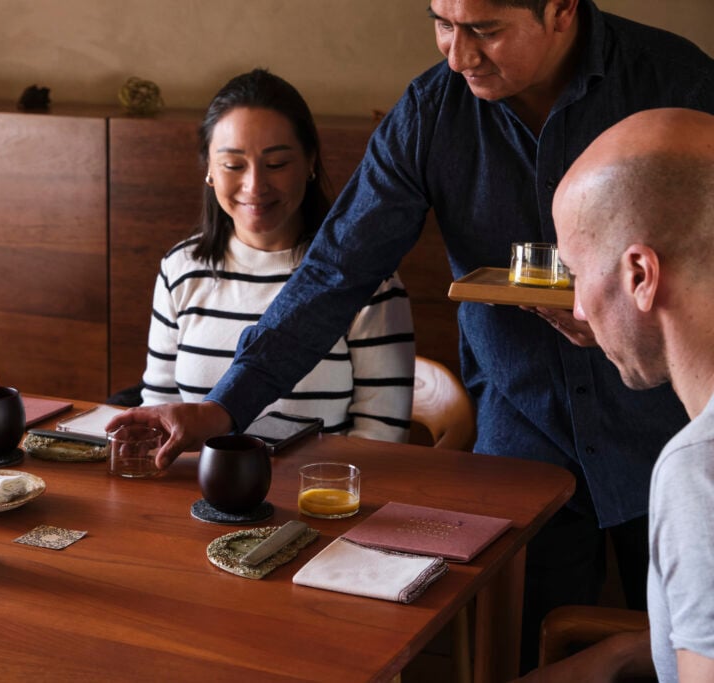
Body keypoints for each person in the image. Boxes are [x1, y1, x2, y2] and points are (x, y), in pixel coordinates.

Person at [110, 0, 713, 670]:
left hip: (671, 422)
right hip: (522, 428)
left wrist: (621, 313)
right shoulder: (433, 110)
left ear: (562, 10)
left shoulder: (675, 82)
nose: (457, 56)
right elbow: (336, 270)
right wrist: (222, 407)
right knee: (518, 658)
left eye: (484, 30)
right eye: (442, 23)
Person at [518, 108, 714, 682]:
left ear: (640, 276)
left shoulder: (698, 471)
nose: (576, 309)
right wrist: (621, 654)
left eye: (577, 275)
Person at [140, 69, 415, 441]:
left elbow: (382, 434)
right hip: (200, 492)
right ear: (208, 168)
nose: (255, 186)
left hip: (321, 496)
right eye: (233, 165)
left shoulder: (366, 280)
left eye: (277, 164)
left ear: (311, 163)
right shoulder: (181, 270)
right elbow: (158, 411)